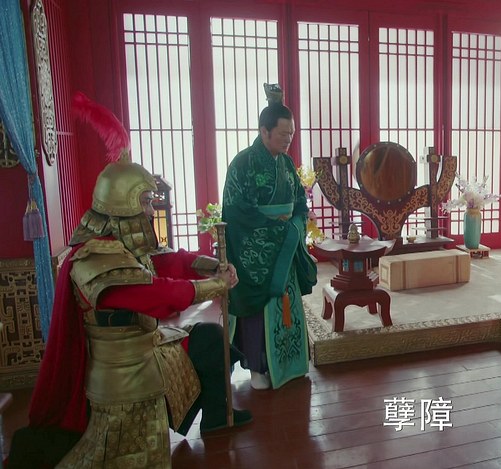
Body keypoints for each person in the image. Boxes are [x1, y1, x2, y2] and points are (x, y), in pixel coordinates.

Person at [8, 155, 252, 468]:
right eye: (146, 201)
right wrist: (215, 286)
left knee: (210, 339)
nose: (152, 210)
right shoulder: (94, 259)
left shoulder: (119, 244)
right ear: (123, 204)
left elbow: (166, 260)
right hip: (123, 380)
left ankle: (216, 415)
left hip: (148, 350)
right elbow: (155, 295)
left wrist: (212, 265)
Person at [222, 89, 317, 391]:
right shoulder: (242, 164)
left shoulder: (286, 164)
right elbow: (237, 212)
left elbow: (300, 201)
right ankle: (258, 367)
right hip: (257, 250)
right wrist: (278, 229)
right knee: (259, 307)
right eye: (283, 133)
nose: (288, 139)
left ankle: (290, 362)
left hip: (285, 246)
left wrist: (297, 224)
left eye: (291, 133)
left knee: (287, 304)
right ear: (264, 131)